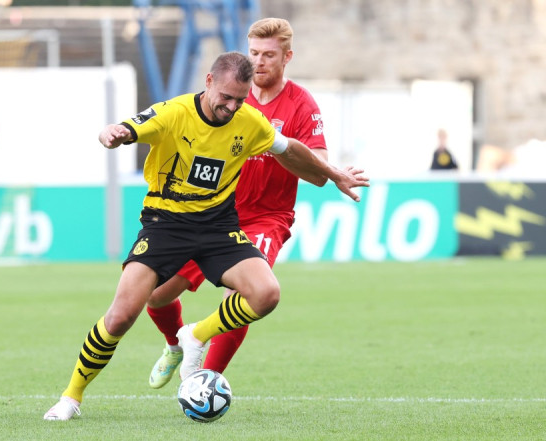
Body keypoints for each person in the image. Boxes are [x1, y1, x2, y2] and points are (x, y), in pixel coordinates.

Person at [43, 51, 369, 421]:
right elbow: (127, 128)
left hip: (218, 226)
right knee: (121, 317)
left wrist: (334, 174)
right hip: (165, 225)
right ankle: (71, 397)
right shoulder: (173, 113)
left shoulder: (250, 121)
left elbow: (289, 148)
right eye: (226, 97)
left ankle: (196, 334)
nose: (231, 107)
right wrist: (112, 133)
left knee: (266, 294)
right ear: (209, 81)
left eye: (240, 100)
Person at [145, 17, 333, 389]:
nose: (259, 61)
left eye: (269, 55)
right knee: (155, 295)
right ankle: (176, 344)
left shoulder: (301, 105)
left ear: (287, 57)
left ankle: (203, 381)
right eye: (254, 53)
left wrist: (275, 144)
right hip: (211, 215)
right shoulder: (230, 99)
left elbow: (319, 169)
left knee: (245, 296)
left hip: (265, 217)